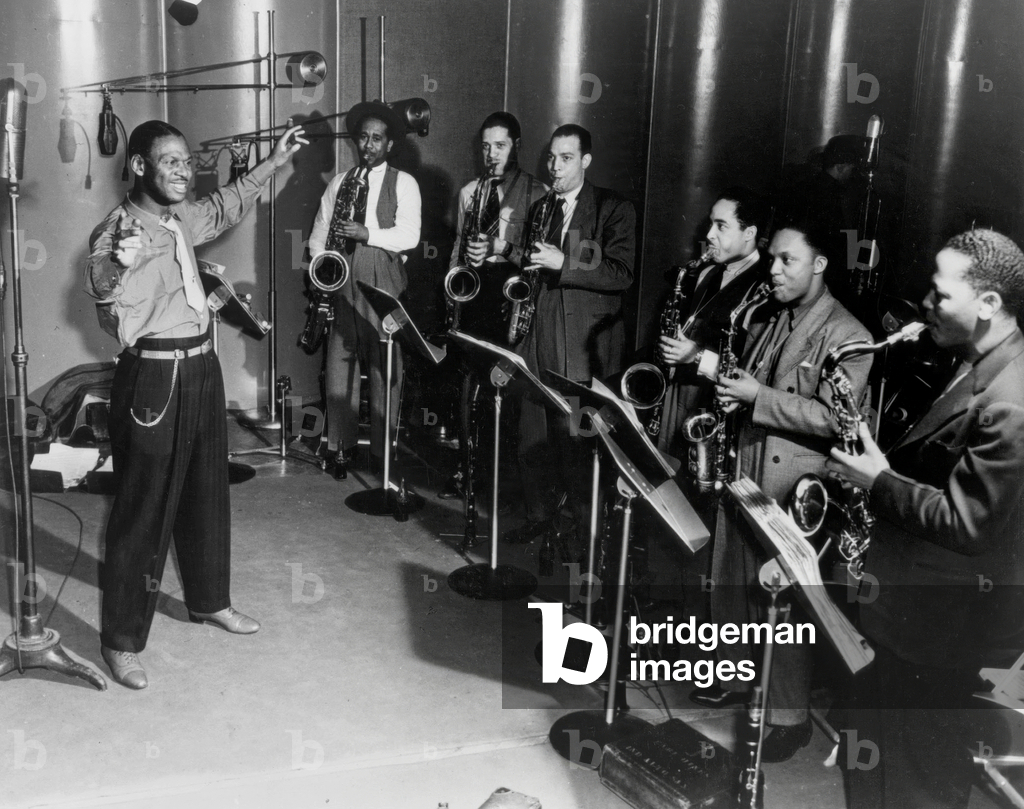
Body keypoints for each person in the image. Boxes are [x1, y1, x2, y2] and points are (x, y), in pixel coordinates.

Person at [85, 120, 307, 689]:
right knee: (143, 511)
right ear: (138, 166)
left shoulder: (181, 217)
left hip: (203, 369)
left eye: (187, 160)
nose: (185, 170)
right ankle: (122, 640)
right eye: (171, 161)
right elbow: (104, 293)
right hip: (154, 379)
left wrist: (274, 161)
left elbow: (229, 202)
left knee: (207, 492)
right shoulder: (118, 231)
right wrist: (118, 264)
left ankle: (209, 600)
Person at [827, 228, 1024, 808]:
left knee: (919, 786)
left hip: (940, 633)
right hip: (909, 613)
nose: (926, 305)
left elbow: (970, 525)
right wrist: (886, 466)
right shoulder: (978, 361)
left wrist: (878, 482)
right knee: (873, 767)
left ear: (988, 305)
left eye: (941, 295)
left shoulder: (1010, 399)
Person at [689, 217, 873, 763]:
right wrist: (733, 394)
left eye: (787, 261)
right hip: (747, 469)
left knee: (786, 603)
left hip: (795, 488)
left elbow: (838, 420)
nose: (773, 270)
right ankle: (744, 681)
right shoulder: (772, 315)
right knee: (735, 582)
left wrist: (755, 397)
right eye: (772, 259)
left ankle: (789, 717)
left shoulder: (850, 334)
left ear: (819, 265)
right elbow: (754, 379)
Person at [503, 124, 636, 546]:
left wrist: (566, 260)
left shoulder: (613, 208)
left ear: (585, 161)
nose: (555, 167)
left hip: (581, 342)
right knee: (532, 435)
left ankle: (584, 532)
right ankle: (539, 516)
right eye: (551, 158)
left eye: (565, 159)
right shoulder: (541, 207)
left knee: (576, 442)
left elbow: (621, 273)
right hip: (536, 334)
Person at [308, 101, 422, 480]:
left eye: (377, 138)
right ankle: (340, 448)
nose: (368, 145)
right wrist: (321, 269)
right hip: (342, 277)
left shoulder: (404, 182)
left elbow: (410, 235)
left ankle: (381, 452)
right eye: (363, 137)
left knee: (383, 366)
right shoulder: (339, 182)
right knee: (339, 363)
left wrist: (367, 234)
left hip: (381, 275)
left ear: (389, 144)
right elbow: (318, 234)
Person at [438, 112, 547, 504]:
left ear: (516, 145)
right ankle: (468, 470)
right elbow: (459, 244)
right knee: (470, 389)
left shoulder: (538, 193)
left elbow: (539, 258)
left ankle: (504, 483)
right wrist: (453, 283)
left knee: (508, 394)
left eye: (499, 146)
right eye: (485, 146)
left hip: (511, 297)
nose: (491, 154)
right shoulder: (470, 191)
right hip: (475, 295)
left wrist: (501, 249)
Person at [656, 187, 771, 460]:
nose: (709, 234)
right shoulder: (707, 272)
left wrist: (695, 357)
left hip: (718, 413)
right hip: (679, 397)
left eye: (721, 226)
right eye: (711, 223)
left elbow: (752, 371)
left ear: (749, 233)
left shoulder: (765, 288)